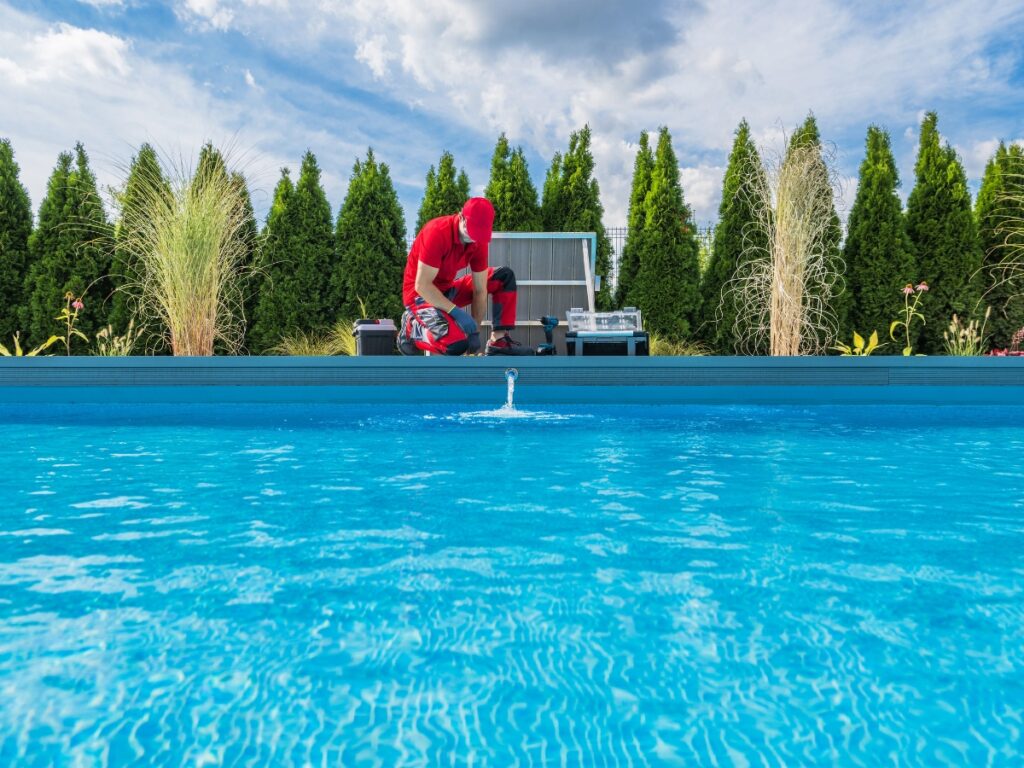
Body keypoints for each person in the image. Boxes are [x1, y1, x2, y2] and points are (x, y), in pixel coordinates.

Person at [398, 197, 529, 356]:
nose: (475, 238)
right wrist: (455, 312)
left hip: (446, 291)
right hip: (419, 296)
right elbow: (422, 285)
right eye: (472, 231)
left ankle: (498, 342)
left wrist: (475, 332)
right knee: (456, 345)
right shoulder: (437, 232)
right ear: (461, 217)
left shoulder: (478, 241)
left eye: (479, 234)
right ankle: (412, 330)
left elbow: (480, 290)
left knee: (503, 277)